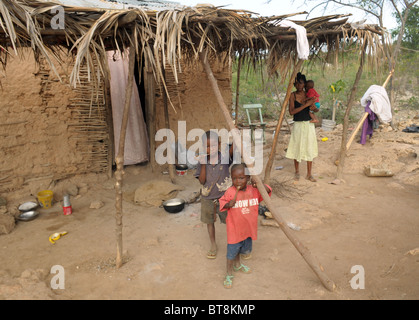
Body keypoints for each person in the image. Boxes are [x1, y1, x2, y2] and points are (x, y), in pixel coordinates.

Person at [219, 163, 272, 289]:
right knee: (231, 254)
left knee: (241, 250)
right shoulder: (230, 192)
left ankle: (238, 265)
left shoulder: (254, 191)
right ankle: (229, 274)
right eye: (234, 178)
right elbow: (222, 204)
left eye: (241, 178)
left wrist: (258, 184)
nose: (237, 181)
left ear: (248, 178)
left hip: (247, 230)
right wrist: (228, 205)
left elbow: (268, 190)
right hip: (234, 230)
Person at [194, 131, 233, 259]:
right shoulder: (202, 162)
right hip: (207, 197)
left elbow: (234, 148)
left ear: (220, 144)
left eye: (214, 145)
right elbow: (202, 181)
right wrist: (204, 163)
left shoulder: (225, 158)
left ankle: (233, 243)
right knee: (209, 222)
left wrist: (236, 135)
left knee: (229, 221)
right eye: (208, 146)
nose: (211, 149)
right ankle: (213, 244)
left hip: (224, 197)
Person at [285, 72, 319, 182]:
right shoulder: (292, 95)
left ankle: (309, 174)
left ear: (304, 84)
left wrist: (313, 107)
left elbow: (316, 109)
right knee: (297, 147)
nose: (299, 86)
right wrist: (305, 105)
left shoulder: (308, 94)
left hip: (308, 125)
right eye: (297, 83)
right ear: (294, 84)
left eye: (301, 83)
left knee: (309, 147)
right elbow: (291, 111)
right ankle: (297, 172)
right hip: (298, 125)